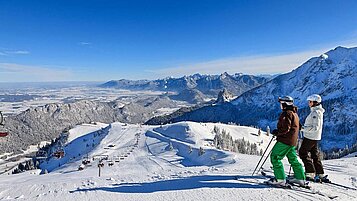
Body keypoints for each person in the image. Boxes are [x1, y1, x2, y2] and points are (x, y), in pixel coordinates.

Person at [267, 96, 306, 187]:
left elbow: (286, 128)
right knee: (293, 159)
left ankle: (280, 179)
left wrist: (278, 132)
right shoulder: (294, 113)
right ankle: (300, 178)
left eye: (281, 103)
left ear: (285, 104)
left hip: (285, 140)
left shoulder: (287, 114)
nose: (280, 105)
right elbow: (298, 127)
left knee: (275, 157)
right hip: (292, 141)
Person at [299, 94, 325, 182]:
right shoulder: (317, 111)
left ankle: (310, 172)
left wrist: (302, 128)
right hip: (314, 137)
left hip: (310, 137)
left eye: (310, 101)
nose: (308, 103)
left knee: (303, 152)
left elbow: (315, 127)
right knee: (314, 154)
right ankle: (319, 173)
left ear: (314, 102)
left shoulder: (316, 113)